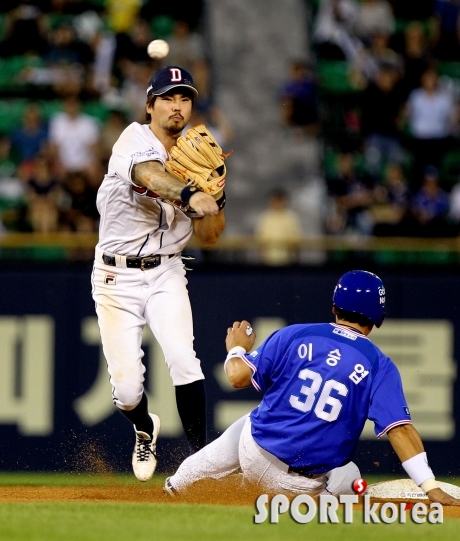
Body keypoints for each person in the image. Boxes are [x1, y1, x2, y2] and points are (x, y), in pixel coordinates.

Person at [164, 270, 460, 506]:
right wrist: (429, 486)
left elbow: (237, 376)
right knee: (351, 475)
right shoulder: (378, 365)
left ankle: (183, 479)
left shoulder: (296, 334)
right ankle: (309, 506)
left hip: (251, 452)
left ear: (334, 307)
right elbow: (400, 430)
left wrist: (236, 350)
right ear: (377, 318)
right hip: (296, 487)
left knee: (255, 420)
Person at [91, 65, 226, 482]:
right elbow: (148, 175)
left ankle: (200, 465)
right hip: (115, 278)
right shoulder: (134, 139)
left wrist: (215, 196)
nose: (177, 106)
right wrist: (190, 193)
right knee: (127, 390)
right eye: (167, 97)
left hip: (166, 272)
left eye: (184, 98)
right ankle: (145, 428)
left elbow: (209, 236)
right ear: (150, 105)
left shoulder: (203, 157)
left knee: (185, 361)